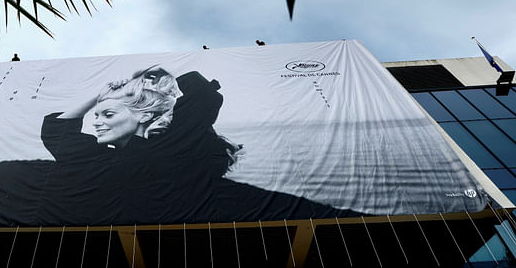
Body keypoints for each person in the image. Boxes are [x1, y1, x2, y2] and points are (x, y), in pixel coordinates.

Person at [41, 68, 355, 224]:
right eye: (97, 114)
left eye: (108, 114)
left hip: (221, 216)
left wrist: (152, 80)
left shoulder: (174, 144)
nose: (96, 121)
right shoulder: (103, 160)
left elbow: (200, 95)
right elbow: (57, 132)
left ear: (147, 115)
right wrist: (99, 97)